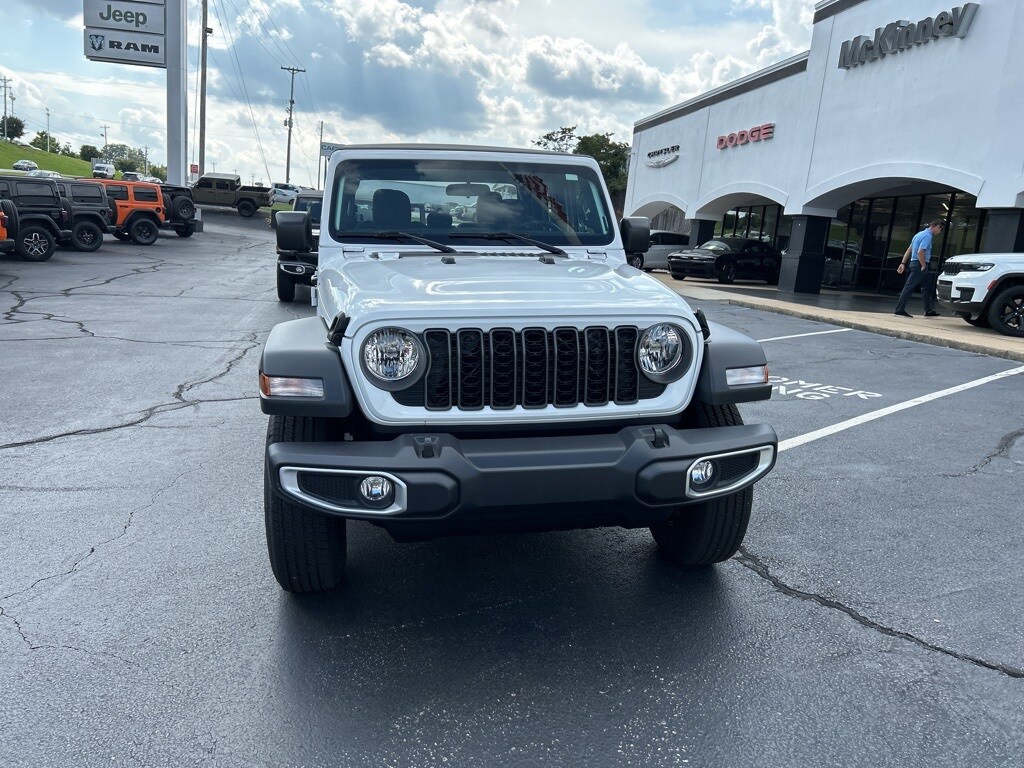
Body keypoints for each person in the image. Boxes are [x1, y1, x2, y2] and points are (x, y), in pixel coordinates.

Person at [894, 219, 944, 318]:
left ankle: (928, 311)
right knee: (909, 287)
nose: (940, 232)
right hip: (920, 264)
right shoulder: (927, 236)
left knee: (926, 287)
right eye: (940, 229)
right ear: (937, 226)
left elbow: (909, 249)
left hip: (915, 263)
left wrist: (903, 263)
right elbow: (920, 251)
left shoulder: (918, 234)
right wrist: (924, 265)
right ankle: (899, 310)